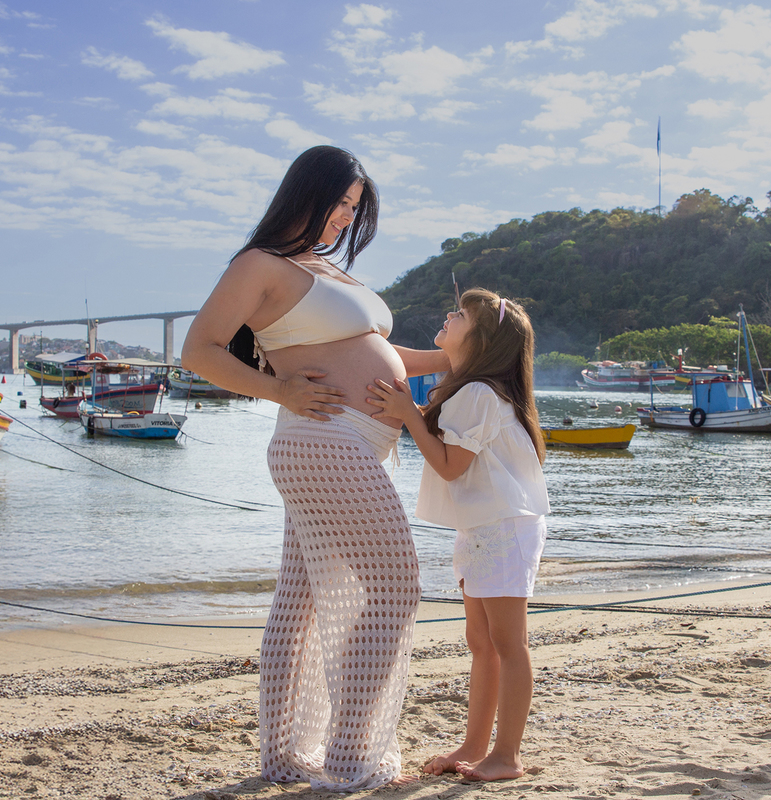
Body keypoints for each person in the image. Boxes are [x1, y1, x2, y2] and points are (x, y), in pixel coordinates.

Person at [179, 145, 447, 791]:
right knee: (395, 587)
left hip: (350, 444)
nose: (344, 219)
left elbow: (378, 353)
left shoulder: (326, 271)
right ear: (307, 193)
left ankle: (285, 757)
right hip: (321, 440)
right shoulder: (261, 263)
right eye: (340, 204)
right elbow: (198, 351)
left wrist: (464, 359)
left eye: (354, 210)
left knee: (298, 603)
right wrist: (282, 391)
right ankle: (353, 757)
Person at [365, 288, 549, 782]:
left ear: (483, 339)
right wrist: (410, 414)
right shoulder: (470, 390)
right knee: (481, 642)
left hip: (505, 526)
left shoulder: (480, 394)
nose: (449, 315)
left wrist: (408, 417)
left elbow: (449, 466)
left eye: (460, 314)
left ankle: (506, 755)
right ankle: (474, 744)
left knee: (508, 643)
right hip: (486, 525)